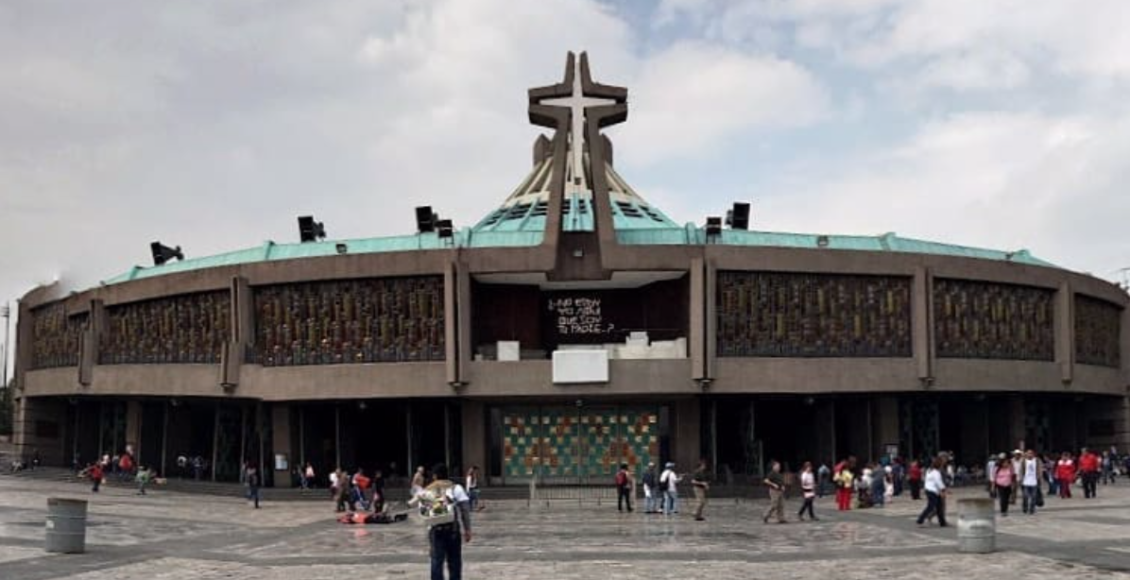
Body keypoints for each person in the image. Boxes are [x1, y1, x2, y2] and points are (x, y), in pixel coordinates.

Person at [424, 463, 472, 580]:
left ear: (435, 476)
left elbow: (426, 515)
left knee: (436, 561)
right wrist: (467, 529)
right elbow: (465, 510)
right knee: (454, 561)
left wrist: (429, 538)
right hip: (453, 530)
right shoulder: (456, 488)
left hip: (436, 531)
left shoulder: (428, 490)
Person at [916, 457, 948, 527]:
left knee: (939, 507)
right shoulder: (936, 472)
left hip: (929, 489)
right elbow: (938, 482)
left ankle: (942, 522)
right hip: (933, 491)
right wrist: (943, 489)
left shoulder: (929, 470)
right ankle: (920, 519)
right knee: (931, 506)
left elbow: (926, 480)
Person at [1020, 449, 1043, 515]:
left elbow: (1040, 469)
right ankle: (1025, 507)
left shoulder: (1037, 460)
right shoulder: (1024, 461)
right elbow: (1021, 470)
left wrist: (1040, 478)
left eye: (1031, 453)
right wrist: (1020, 479)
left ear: (1033, 454)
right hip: (1025, 481)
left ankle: (1032, 509)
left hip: (1034, 481)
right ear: (1026, 454)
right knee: (1025, 496)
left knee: (1033, 496)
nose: (1029, 454)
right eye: (1028, 453)